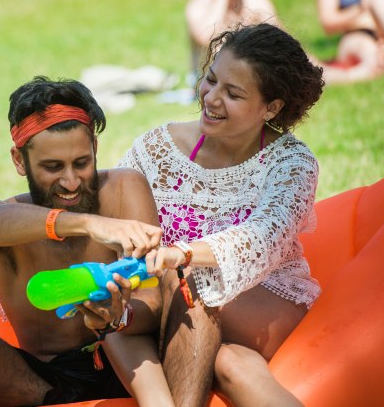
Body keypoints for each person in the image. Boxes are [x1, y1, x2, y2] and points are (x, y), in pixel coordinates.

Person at [0, 76, 174, 407]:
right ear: (19, 160)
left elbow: (153, 302)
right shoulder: (5, 217)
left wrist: (119, 316)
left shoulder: (122, 188)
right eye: (52, 167)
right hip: (47, 379)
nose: (71, 182)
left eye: (82, 163)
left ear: (95, 148)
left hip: (130, 363)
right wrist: (88, 224)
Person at [119, 23, 325, 406]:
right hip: (180, 302)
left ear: (272, 107)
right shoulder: (156, 147)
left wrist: (181, 254)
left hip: (266, 300)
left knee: (188, 280)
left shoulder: (292, 163)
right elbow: (112, 209)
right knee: (232, 365)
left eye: (232, 93)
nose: (211, 98)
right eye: (211, 80)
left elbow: (265, 236)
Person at [184, 0, 278, 84]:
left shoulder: (256, 0)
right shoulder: (200, 4)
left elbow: (278, 41)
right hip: (210, 82)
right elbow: (206, 38)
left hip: (253, 79)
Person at [316, 0, 384, 83]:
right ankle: (346, 76)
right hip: (359, 32)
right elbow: (329, 23)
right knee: (372, 58)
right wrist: (361, 8)